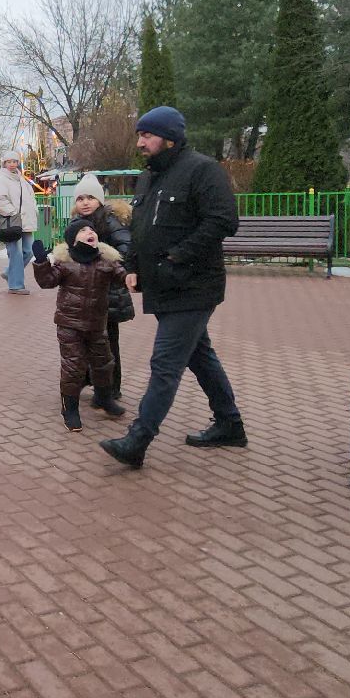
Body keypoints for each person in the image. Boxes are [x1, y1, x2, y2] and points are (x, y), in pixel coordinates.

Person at [99, 106, 244, 469]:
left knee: (165, 363)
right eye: (139, 135)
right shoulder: (149, 178)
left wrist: (177, 257)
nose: (140, 142)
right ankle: (229, 424)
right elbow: (141, 228)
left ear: (169, 138)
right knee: (199, 355)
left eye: (146, 135)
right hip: (162, 286)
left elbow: (224, 221)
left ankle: (139, 438)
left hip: (194, 285)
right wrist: (133, 265)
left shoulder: (202, 170)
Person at [31, 222, 129, 431]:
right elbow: (47, 281)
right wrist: (41, 262)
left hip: (97, 324)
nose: (89, 232)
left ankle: (104, 399)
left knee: (104, 363)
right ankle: (70, 409)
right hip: (69, 324)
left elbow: (124, 277)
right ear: (73, 240)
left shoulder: (107, 261)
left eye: (92, 229)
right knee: (73, 367)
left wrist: (135, 276)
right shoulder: (66, 262)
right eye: (83, 231)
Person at [70, 172, 133, 409]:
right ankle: (93, 378)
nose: (85, 202)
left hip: (108, 293)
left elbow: (125, 248)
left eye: (90, 198)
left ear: (99, 200)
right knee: (89, 338)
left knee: (107, 342)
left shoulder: (108, 220)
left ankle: (111, 387)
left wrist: (102, 261)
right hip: (87, 294)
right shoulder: (78, 224)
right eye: (80, 198)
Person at [0, 155, 39, 295]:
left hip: (26, 221)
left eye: (14, 161)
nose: (12, 164)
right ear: (4, 163)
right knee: (16, 253)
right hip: (13, 221)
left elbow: (31, 197)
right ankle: (16, 285)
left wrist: (34, 210)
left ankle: (9, 273)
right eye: (9, 162)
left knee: (29, 251)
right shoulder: (2, 179)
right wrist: (13, 213)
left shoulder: (22, 179)